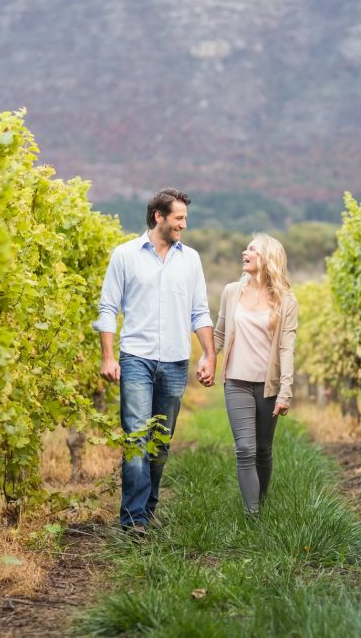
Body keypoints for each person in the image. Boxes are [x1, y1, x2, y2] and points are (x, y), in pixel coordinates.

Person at [94, 188, 216, 533]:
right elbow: (108, 308)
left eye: (185, 219)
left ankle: (147, 509)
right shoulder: (125, 255)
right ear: (159, 216)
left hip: (176, 361)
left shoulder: (190, 259)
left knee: (159, 442)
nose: (184, 225)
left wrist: (209, 354)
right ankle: (133, 520)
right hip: (136, 358)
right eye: (179, 218)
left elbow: (199, 311)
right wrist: (107, 356)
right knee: (135, 436)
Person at [213, 233, 297, 515]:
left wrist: (285, 391)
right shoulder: (231, 292)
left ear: (268, 258)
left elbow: (287, 348)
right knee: (245, 449)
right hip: (236, 382)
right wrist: (207, 359)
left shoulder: (286, 300)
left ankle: (260, 502)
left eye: (251, 249)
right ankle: (252, 516)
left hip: (268, 386)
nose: (244, 252)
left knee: (263, 449)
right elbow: (220, 333)